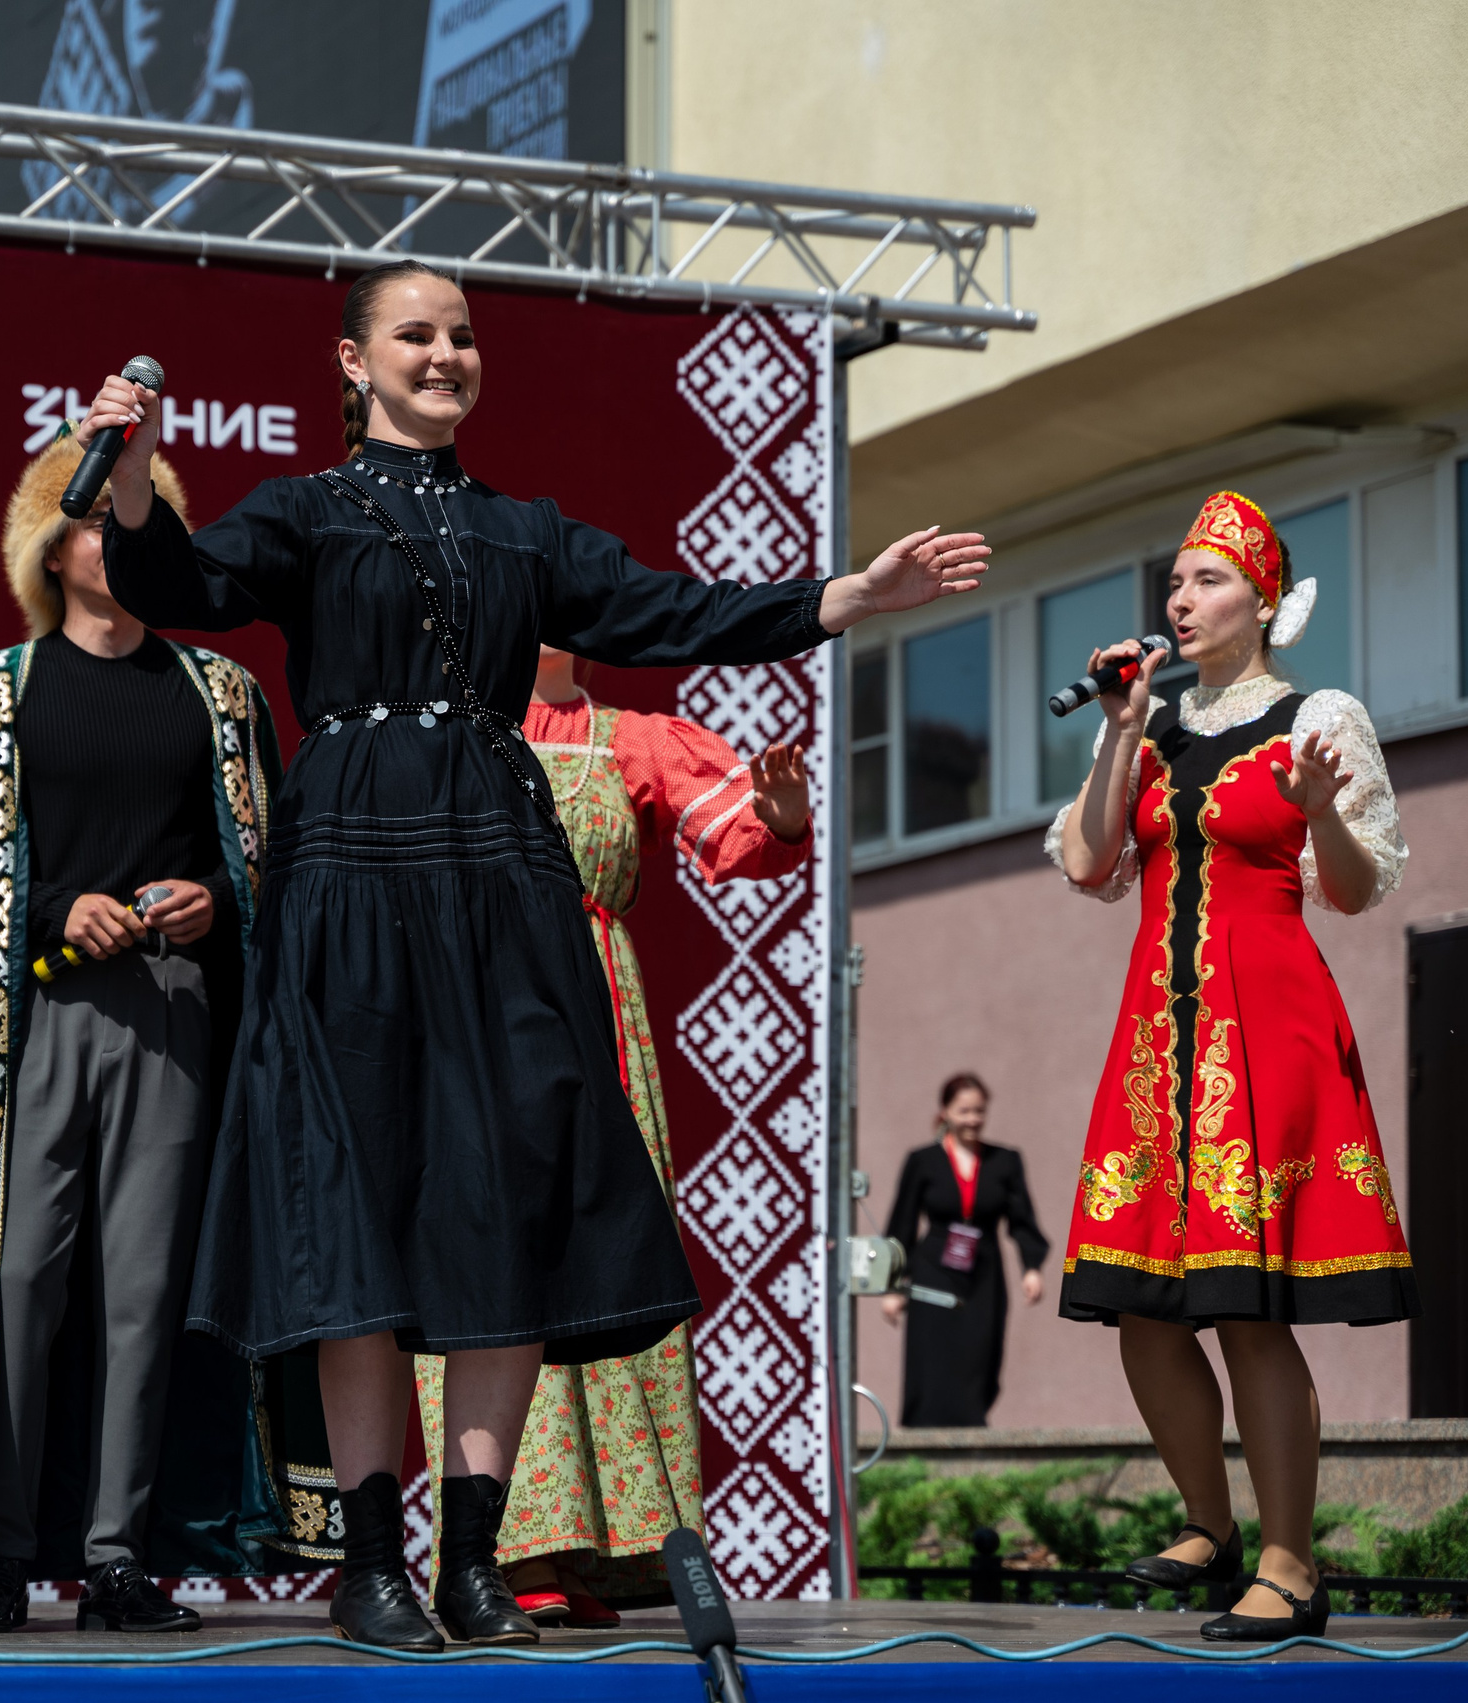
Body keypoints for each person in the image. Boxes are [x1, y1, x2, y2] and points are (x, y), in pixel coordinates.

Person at [84, 259, 992, 1650]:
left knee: (501, 1197)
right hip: (351, 868)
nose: (444, 354)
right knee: (364, 1209)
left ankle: (475, 1556)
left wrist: (843, 594)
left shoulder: (527, 532)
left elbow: (670, 610)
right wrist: (134, 470)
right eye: (415, 334)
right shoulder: (308, 511)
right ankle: (372, 1560)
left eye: (460, 335)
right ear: (352, 362)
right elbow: (178, 580)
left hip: (500, 876)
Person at [0, 434, 314, 1632]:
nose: (114, 538)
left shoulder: (223, 694)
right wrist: (52, 904)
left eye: (135, 519)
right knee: (14, 1279)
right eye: (90, 518)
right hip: (24, 1019)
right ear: (49, 542)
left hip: (173, 1017)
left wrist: (208, 895)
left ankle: (115, 1556)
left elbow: (273, 870)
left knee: (146, 1290)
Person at [1050, 489, 1412, 1642]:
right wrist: (1115, 725)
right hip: (1159, 1044)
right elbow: (1086, 862)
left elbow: (1356, 890)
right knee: (1143, 1308)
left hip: (1269, 1029)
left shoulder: (1320, 716)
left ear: (1262, 599)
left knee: (1250, 1308)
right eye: (1172, 583)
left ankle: (1290, 1560)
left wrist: (1323, 814)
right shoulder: (1145, 726)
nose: (1180, 599)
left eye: (1204, 580)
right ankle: (1206, 1524)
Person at [410, 646, 812, 1626]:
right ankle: (503, 1545)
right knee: (481, 1257)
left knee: (595, 1256)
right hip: (469, 1000)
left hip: (590, 1004)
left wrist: (784, 812)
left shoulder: (629, 739)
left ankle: (610, 1547)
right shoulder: (447, 729)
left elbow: (736, 831)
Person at [879, 1073, 1049, 1427]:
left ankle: (972, 1431)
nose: (973, 1119)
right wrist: (894, 1285)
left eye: (979, 1111)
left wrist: (1031, 1268)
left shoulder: (1005, 1161)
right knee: (932, 1357)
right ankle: (924, 1441)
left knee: (979, 1354)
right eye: (964, 1111)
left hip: (983, 1272)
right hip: (933, 1271)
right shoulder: (922, 1161)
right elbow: (902, 1225)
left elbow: (1022, 1220)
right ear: (945, 1112)